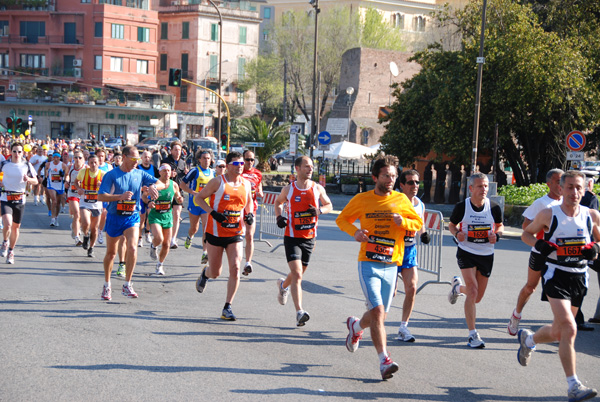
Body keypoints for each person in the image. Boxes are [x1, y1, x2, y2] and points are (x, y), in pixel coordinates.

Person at [336, 156, 422, 380]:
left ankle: (356, 327)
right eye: (386, 175)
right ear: (375, 177)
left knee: (380, 314)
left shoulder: (402, 200)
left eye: (393, 175)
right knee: (377, 312)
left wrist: (403, 223)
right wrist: (355, 232)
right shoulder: (362, 199)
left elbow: (418, 223)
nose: (391, 179)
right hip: (368, 262)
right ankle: (384, 359)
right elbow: (342, 219)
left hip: (391, 264)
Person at [518, 170, 598, 402]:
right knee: (570, 329)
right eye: (570, 187)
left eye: (579, 188)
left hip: (579, 277)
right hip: (555, 275)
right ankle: (573, 385)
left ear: (585, 190)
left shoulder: (591, 215)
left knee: (559, 331)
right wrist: (539, 245)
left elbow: (599, 241)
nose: (575, 192)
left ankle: (529, 340)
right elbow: (526, 234)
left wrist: (595, 249)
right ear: (560, 189)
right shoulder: (548, 214)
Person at [97, 146, 165, 301]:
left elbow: (162, 183)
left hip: (132, 216)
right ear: (124, 157)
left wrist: (154, 186)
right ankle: (107, 285)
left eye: (138, 159)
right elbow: (101, 196)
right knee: (111, 253)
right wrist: (119, 197)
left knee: (133, 247)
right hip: (115, 217)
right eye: (133, 159)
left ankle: (127, 284)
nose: (136, 162)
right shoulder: (112, 175)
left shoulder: (139, 173)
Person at [193, 151, 253, 321]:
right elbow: (198, 198)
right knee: (215, 272)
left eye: (242, 164)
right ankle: (205, 274)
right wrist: (213, 213)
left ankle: (228, 306)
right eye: (236, 164)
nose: (240, 167)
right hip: (216, 232)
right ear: (227, 166)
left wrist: (249, 214)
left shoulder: (246, 184)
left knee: (235, 267)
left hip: (235, 232)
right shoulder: (217, 182)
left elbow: (248, 201)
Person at [274, 156, 333, 326]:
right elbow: (278, 202)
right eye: (306, 166)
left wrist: (320, 210)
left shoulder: (317, 188)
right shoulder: (289, 189)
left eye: (312, 167)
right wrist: (279, 217)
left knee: (297, 274)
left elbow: (329, 205)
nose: (310, 169)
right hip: (292, 237)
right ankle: (299, 312)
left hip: (310, 238)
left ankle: (283, 286)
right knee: (298, 274)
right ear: (297, 168)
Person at [447, 172, 504, 349]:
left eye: (486, 186)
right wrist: (457, 233)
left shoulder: (493, 207)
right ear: (471, 188)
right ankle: (473, 335)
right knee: (472, 291)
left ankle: (457, 288)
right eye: (480, 186)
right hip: (466, 252)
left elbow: (500, 225)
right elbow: (451, 224)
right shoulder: (462, 207)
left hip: (486, 254)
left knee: (477, 297)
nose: (484, 189)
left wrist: (498, 235)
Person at [507, 169, 563, 336]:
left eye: (563, 181)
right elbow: (526, 226)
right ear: (549, 184)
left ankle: (560, 326)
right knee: (531, 287)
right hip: (540, 252)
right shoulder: (542, 203)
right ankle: (516, 315)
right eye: (558, 181)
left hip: (560, 254)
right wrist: (541, 233)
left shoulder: (567, 203)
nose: (561, 185)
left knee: (558, 290)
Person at [394, 169, 430, 342]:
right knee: (390, 293)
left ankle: (403, 327)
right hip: (392, 251)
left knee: (412, 287)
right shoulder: (394, 201)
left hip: (409, 250)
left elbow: (420, 224)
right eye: (410, 182)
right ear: (402, 185)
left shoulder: (419, 204)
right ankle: (373, 308)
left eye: (417, 182)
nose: (415, 186)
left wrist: (424, 233)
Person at [0, 142, 38, 264]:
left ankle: (11, 251)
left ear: (23, 153)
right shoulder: (4, 164)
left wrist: (29, 179)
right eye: (15, 151)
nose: (17, 154)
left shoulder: (27, 165)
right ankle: (5, 242)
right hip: (6, 197)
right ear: (11, 152)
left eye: (19, 151)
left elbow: (36, 181)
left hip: (20, 199)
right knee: (8, 224)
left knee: (16, 227)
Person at [147, 163, 184, 275]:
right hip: (155, 216)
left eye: (169, 170)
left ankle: (159, 265)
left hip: (167, 216)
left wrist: (180, 199)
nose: (167, 173)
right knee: (159, 238)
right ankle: (153, 246)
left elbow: (178, 197)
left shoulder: (174, 184)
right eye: (164, 171)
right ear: (160, 172)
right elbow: (145, 196)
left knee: (167, 244)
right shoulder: (155, 184)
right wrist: (149, 202)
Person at [181, 149, 214, 262]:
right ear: (199, 159)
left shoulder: (213, 173)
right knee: (194, 228)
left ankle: (205, 252)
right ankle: (190, 237)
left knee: (206, 229)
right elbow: (182, 184)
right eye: (204, 158)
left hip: (206, 205)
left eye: (208, 158)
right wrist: (193, 193)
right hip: (194, 204)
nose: (206, 160)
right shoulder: (194, 171)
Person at [75, 154, 105, 258]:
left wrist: (102, 186)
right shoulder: (83, 172)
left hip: (97, 204)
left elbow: (108, 188)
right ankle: (86, 235)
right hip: (85, 201)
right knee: (86, 222)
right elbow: (75, 181)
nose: (93, 165)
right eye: (91, 162)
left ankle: (91, 248)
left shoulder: (102, 174)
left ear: (99, 163)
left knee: (95, 228)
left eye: (95, 162)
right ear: (88, 163)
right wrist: (79, 188)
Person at [240, 150, 263, 276]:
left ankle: (248, 263)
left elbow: (260, 188)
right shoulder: (238, 171)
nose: (250, 162)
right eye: (247, 159)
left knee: (249, 235)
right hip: (237, 209)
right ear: (243, 160)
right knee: (236, 238)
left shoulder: (258, 174)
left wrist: (260, 193)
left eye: (252, 160)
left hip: (251, 208)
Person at [162, 141, 188, 249]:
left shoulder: (183, 162)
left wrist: (186, 172)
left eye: (179, 150)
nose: (178, 152)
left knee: (177, 214)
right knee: (167, 215)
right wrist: (168, 174)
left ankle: (173, 239)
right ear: (171, 150)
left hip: (179, 191)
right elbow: (159, 175)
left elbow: (185, 178)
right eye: (175, 150)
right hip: (167, 190)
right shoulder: (166, 161)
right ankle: (165, 236)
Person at [137, 150, 159, 247]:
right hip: (141, 196)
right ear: (141, 158)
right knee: (142, 218)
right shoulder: (138, 168)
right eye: (145, 157)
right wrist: (142, 188)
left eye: (148, 157)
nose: (147, 159)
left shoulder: (154, 169)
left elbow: (159, 181)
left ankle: (147, 232)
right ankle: (139, 238)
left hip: (151, 196)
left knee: (150, 215)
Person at [65, 150, 86, 245]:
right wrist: (66, 181)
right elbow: (67, 176)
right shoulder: (70, 167)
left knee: (81, 216)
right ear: (73, 159)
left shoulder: (86, 168)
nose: (78, 159)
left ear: (83, 159)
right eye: (76, 157)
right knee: (77, 213)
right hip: (72, 193)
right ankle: (77, 237)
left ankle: (74, 227)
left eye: (80, 157)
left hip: (83, 195)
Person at [45, 152, 68, 227]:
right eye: (54, 157)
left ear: (59, 158)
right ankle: (52, 219)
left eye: (57, 157)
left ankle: (56, 217)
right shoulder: (48, 164)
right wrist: (46, 175)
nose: (55, 159)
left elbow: (66, 175)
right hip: (51, 185)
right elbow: (45, 170)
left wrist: (63, 176)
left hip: (60, 185)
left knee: (58, 203)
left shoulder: (63, 165)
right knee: (54, 201)